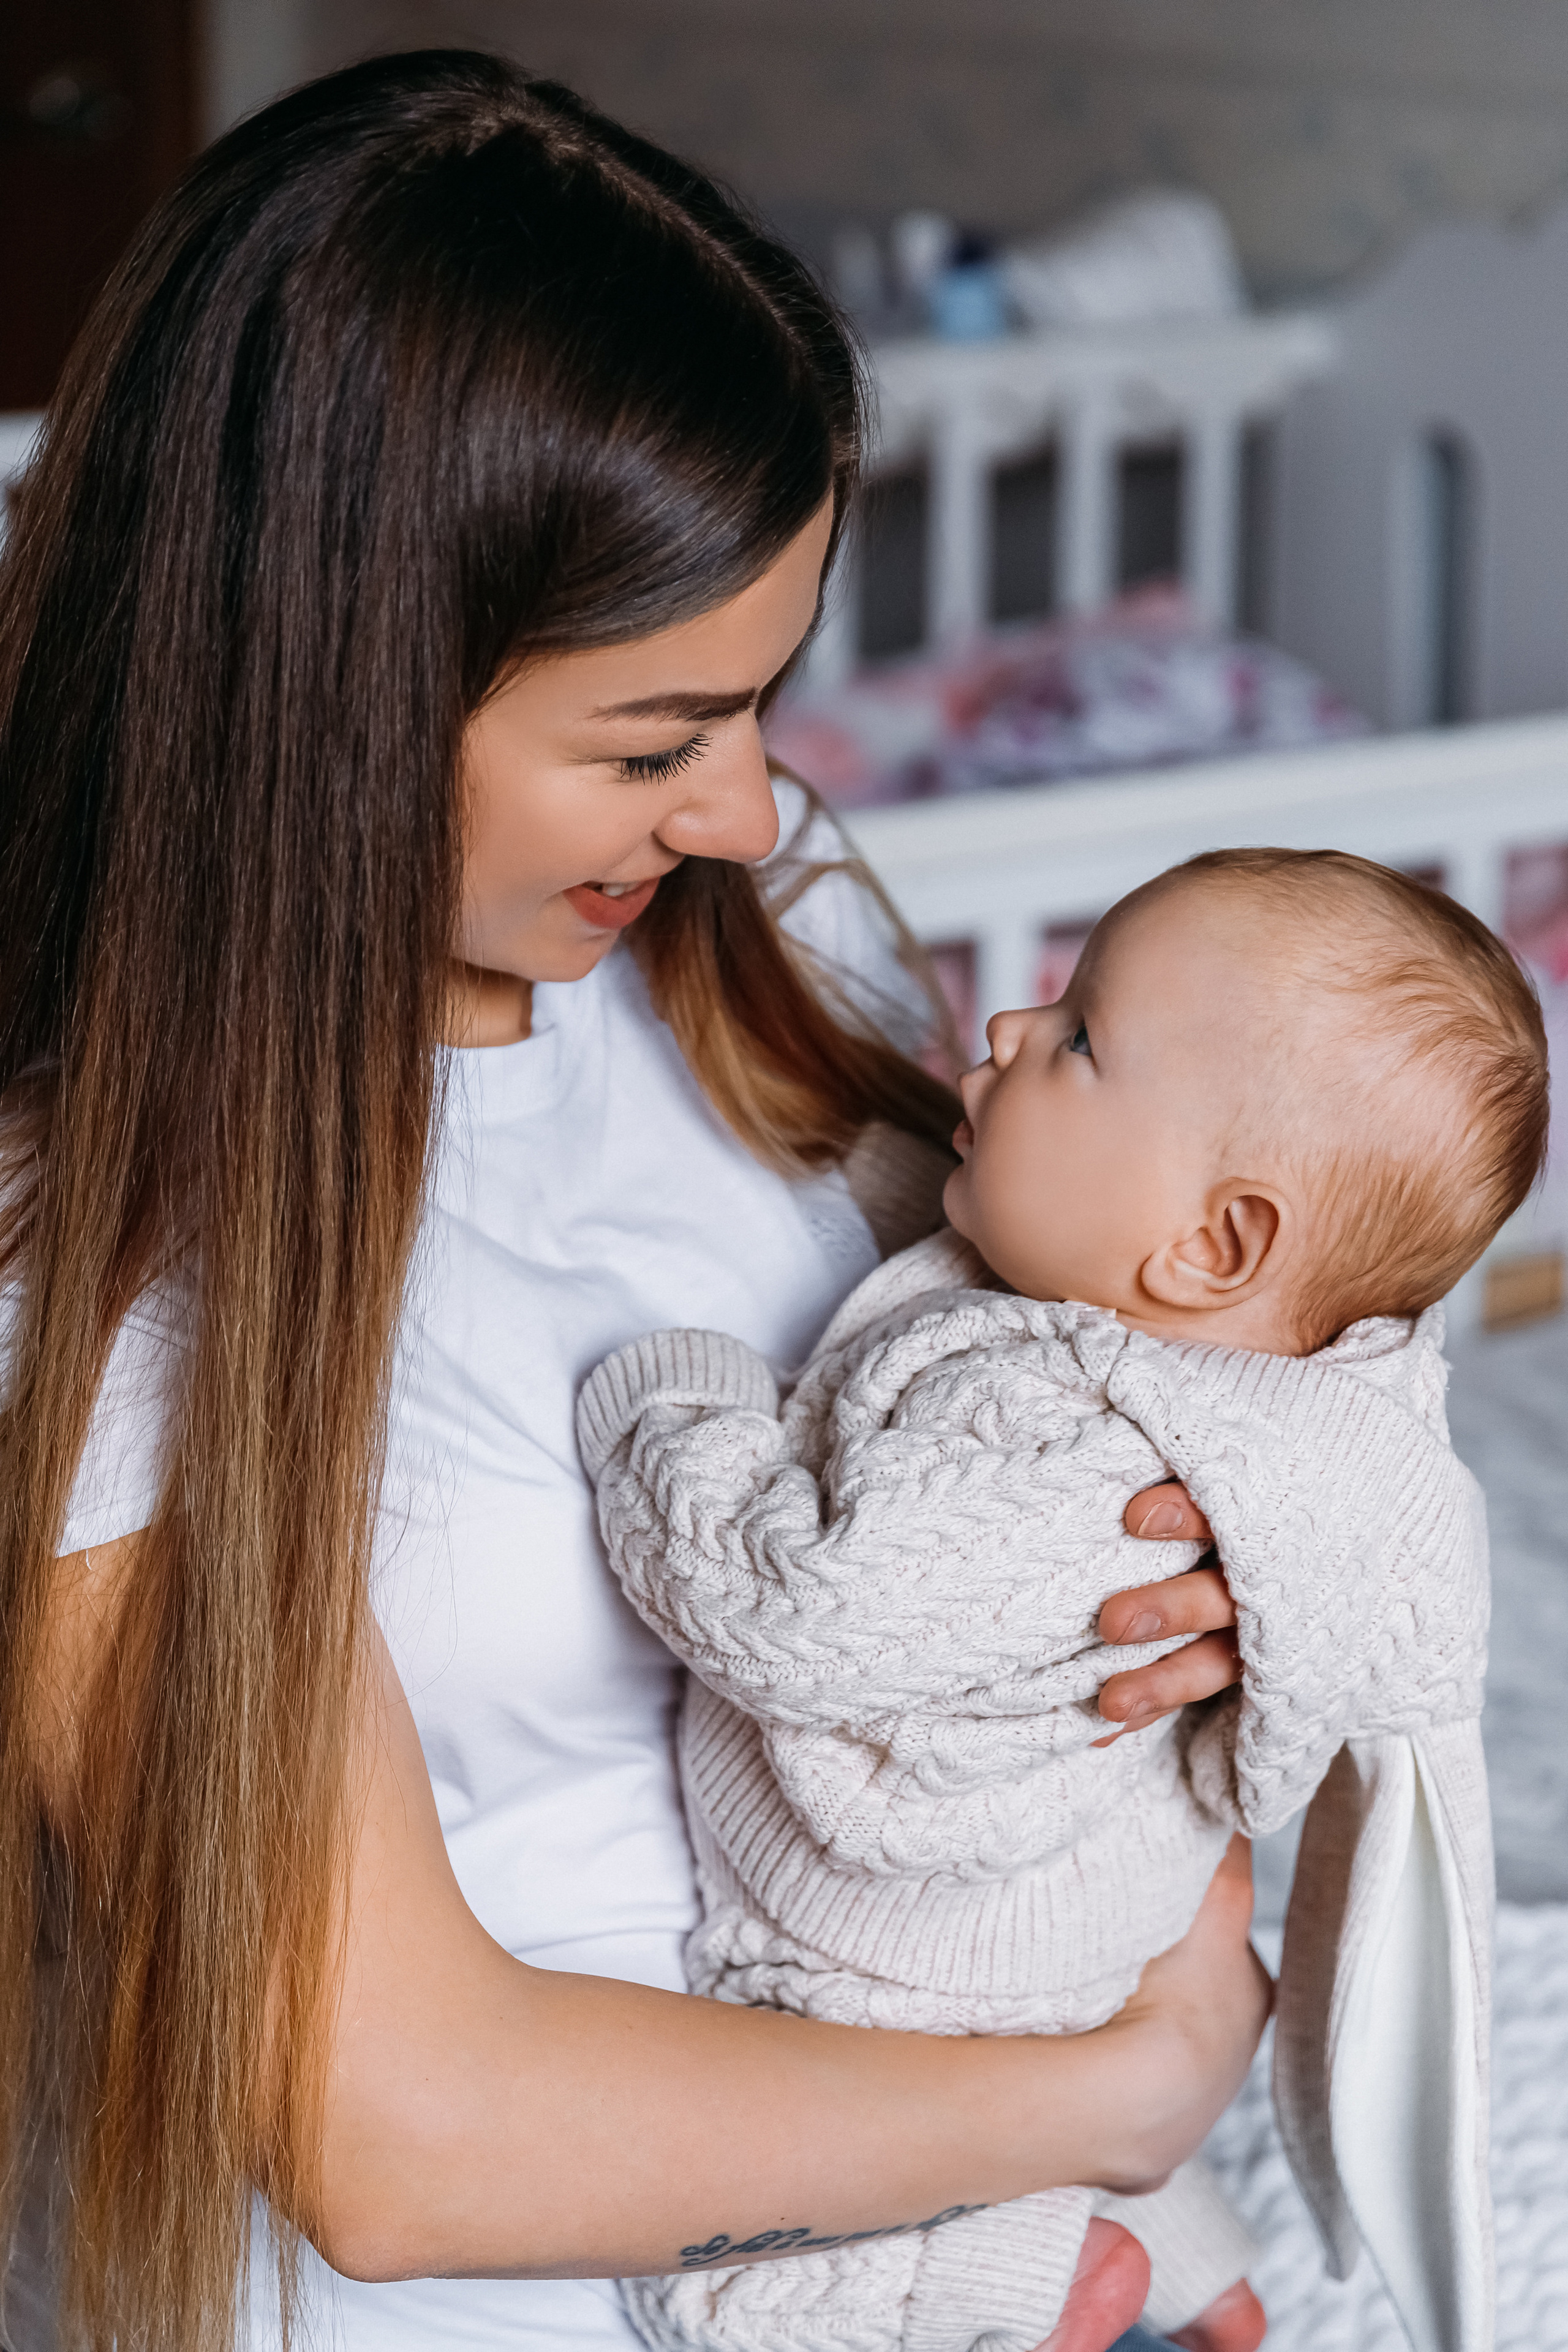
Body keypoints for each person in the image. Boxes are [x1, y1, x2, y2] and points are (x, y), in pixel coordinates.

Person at [0, 51, 1267, 2352]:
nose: (748, 810)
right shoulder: (85, 1257)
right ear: (342, 695)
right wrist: (1121, 2087)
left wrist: (1168, 1614)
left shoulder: (773, 958)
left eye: (769, 705)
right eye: (654, 737)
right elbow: (398, 2132)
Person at [582, 846, 1536, 2352]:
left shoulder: (1081, 1458)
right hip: (1071, 1949)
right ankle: (1176, 2243)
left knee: (721, 2274)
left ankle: (1042, 2281)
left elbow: (792, 1610)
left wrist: (672, 1393)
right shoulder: (1238, 1385)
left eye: (1080, 1037)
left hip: (895, 1968)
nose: (1008, 1031)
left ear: (1211, 1246)